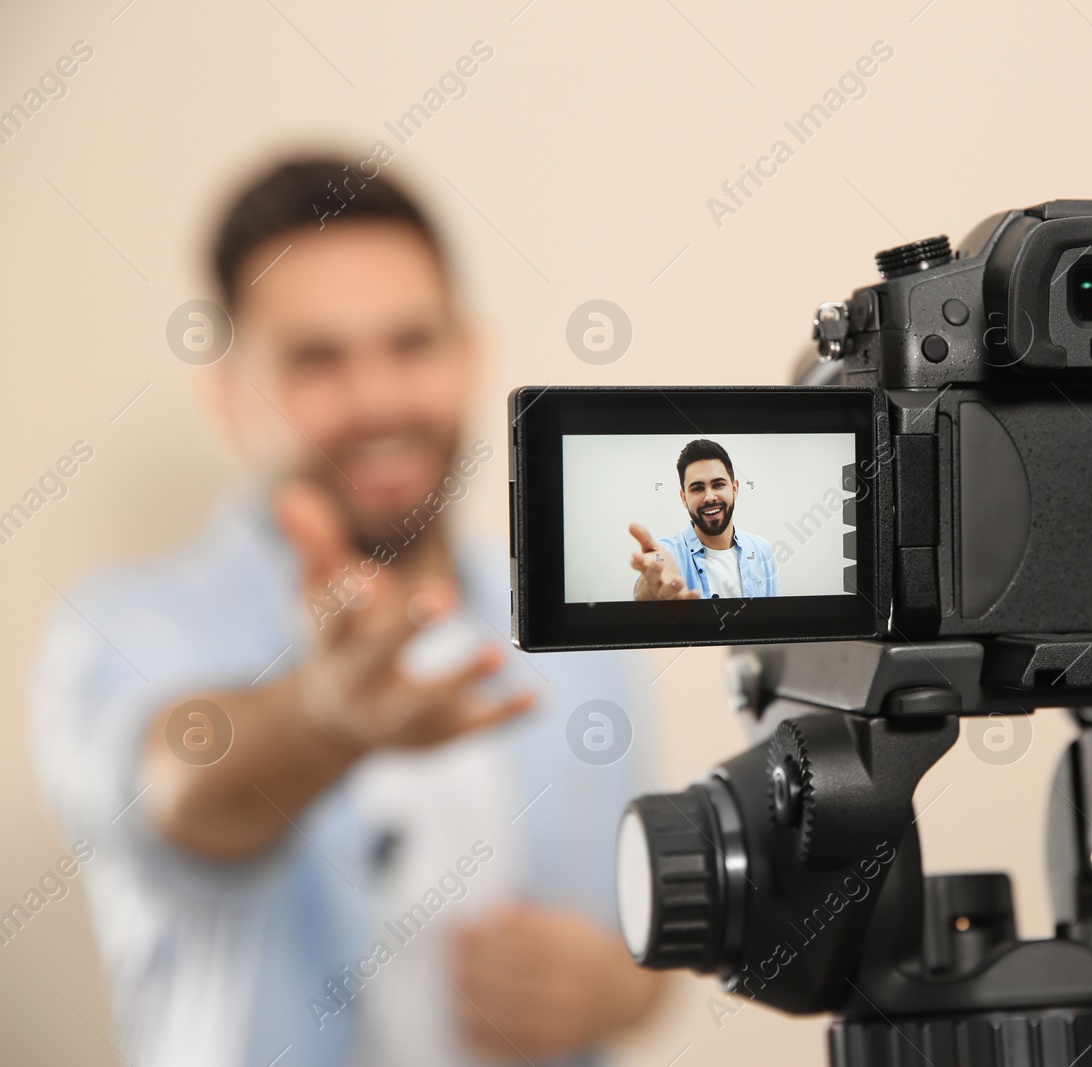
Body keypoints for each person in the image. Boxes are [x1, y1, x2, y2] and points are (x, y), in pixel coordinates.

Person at [29, 158, 663, 1067]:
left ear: (469, 353)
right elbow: (174, 789)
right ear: (231, 392)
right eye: (317, 358)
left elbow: (642, 922)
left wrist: (627, 988)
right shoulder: (126, 626)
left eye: (410, 344)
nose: (377, 401)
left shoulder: (583, 627)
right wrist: (321, 720)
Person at [629, 439, 780, 601]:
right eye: (697, 488)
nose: (709, 497)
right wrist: (648, 590)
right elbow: (648, 586)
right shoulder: (670, 554)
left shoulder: (762, 550)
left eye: (718, 485)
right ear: (684, 498)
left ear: (735, 489)